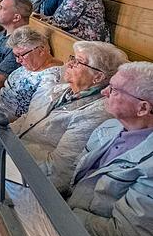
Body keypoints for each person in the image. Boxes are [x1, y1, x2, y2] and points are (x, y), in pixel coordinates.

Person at [12, 41, 128, 190]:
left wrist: (10, 161)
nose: (68, 63)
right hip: (11, 155)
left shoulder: (96, 114)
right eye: (72, 58)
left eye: (78, 62)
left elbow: (59, 171)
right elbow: (24, 120)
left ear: (98, 77)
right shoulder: (61, 89)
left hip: (30, 180)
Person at [64, 62, 153, 236]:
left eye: (113, 90)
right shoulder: (109, 126)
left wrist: (59, 211)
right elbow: (72, 177)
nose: (103, 92)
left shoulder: (149, 167)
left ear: (143, 108)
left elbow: (125, 235)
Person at [0, 27, 63, 121]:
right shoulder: (31, 65)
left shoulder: (51, 79)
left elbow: (31, 120)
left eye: (21, 55)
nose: (18, 60)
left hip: (7, 123)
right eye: (15, 55)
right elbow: (5, 97)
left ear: (41, 50)